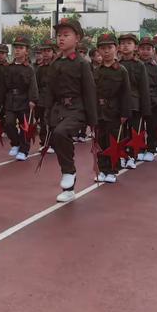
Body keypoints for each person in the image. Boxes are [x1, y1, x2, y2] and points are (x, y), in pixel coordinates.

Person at [45, 18, 97, 202]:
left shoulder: (82, 64)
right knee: (57, 138)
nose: (61, 38)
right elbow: (50, 90)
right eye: (59, 35)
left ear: (77, 39)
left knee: (61, 133)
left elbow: (90, 92)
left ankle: (69, 171)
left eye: (66, 35)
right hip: (59, 109)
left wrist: (93, 120)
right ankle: (69, 187)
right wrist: (46, 113)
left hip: (77, 108)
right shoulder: (55, 63)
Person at [93, 33, 132, 183]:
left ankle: (112, 170)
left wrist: (124, 113)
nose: (106, 51)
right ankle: (102, 169)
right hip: (99, 111)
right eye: (103, 48)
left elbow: (125, 94)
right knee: (101, 141)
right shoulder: (96, 70)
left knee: (113, 141)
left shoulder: (121, 70)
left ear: (116, 49)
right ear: (98, 51)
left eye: (109, 47)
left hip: (115, 112)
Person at [2, 36, 39, 161]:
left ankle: (24, 150)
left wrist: (33, 100)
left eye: (21, 48)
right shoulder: (8, 67)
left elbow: (33, 85)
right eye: (16, 48)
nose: (17, 50)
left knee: (25, 126)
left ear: (26, 51)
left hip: (24, 100)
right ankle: (16, 143)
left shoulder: (29, 68)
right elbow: (4, 85)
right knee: (8, 123)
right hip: (10, 99)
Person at [118, 33, 151, 165]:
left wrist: (146, 109)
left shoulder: (139, 65)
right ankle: (121, 154)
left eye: (129, 43)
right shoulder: (116, 65)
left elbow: (144, 88)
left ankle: (132, 155)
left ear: (135, 47)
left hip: (135, 103)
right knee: (120, 131)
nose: (125, 46)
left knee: (134, 130)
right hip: (119, 104)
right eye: (123, 43)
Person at [35, 39, 56, 152]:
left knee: (52, 122)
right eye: (44, 51)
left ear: (53, 52)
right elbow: (36, 84)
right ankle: (44, 142)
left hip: (54, 98)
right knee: (43, 121)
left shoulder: (56, 66)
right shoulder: (40, 68)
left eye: (48, 51)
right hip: (42, 99)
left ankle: (52, 143)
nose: (46, 53)